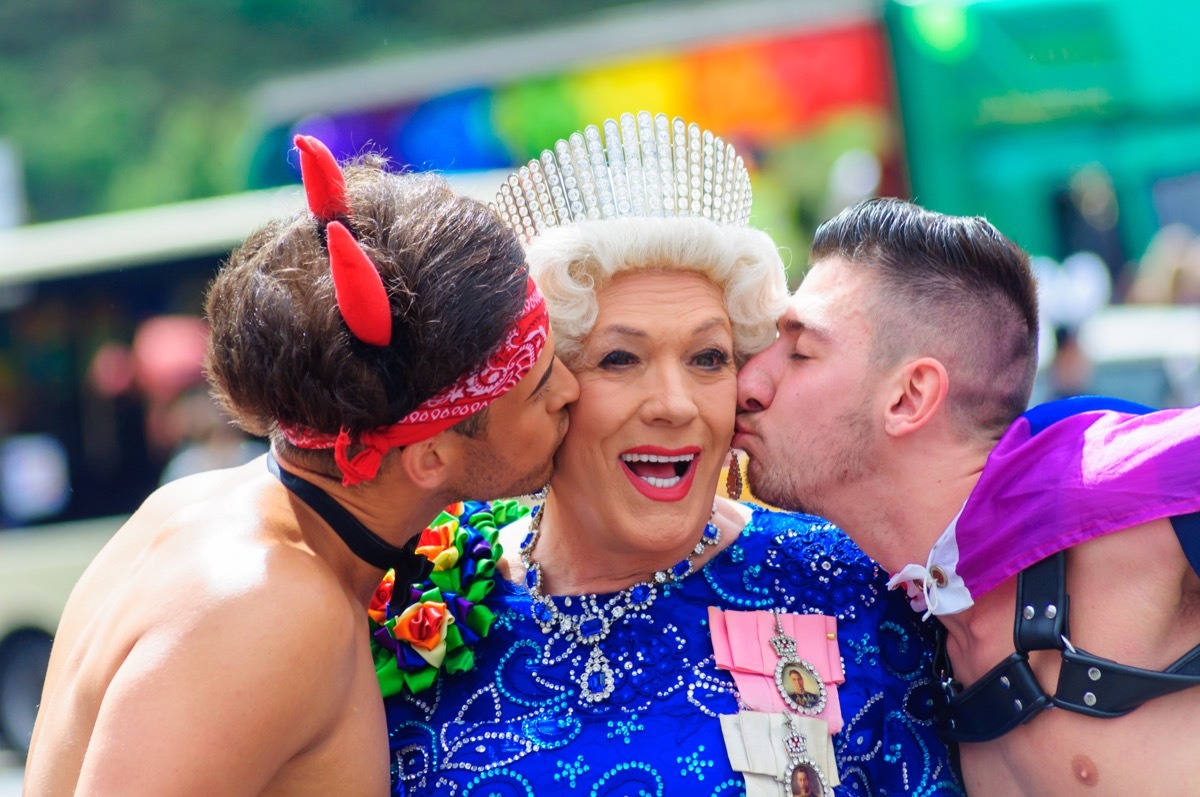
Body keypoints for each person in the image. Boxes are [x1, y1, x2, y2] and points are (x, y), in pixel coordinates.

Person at [378, 113, 962, 796]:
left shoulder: (844, 583)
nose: (675, 403)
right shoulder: (420, 603)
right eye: (620, 359)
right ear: (545, 387)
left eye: (708, 358)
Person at [23, 135, 578, 796]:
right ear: (430, 456)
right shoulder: (267, 601)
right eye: (541, 383)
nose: (572, 389)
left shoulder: (197, 509)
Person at [735, 197, 1200, 795]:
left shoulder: (1131, 505)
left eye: (799, 353)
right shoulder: (895, 601)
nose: (747, 382)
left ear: (909, 397)